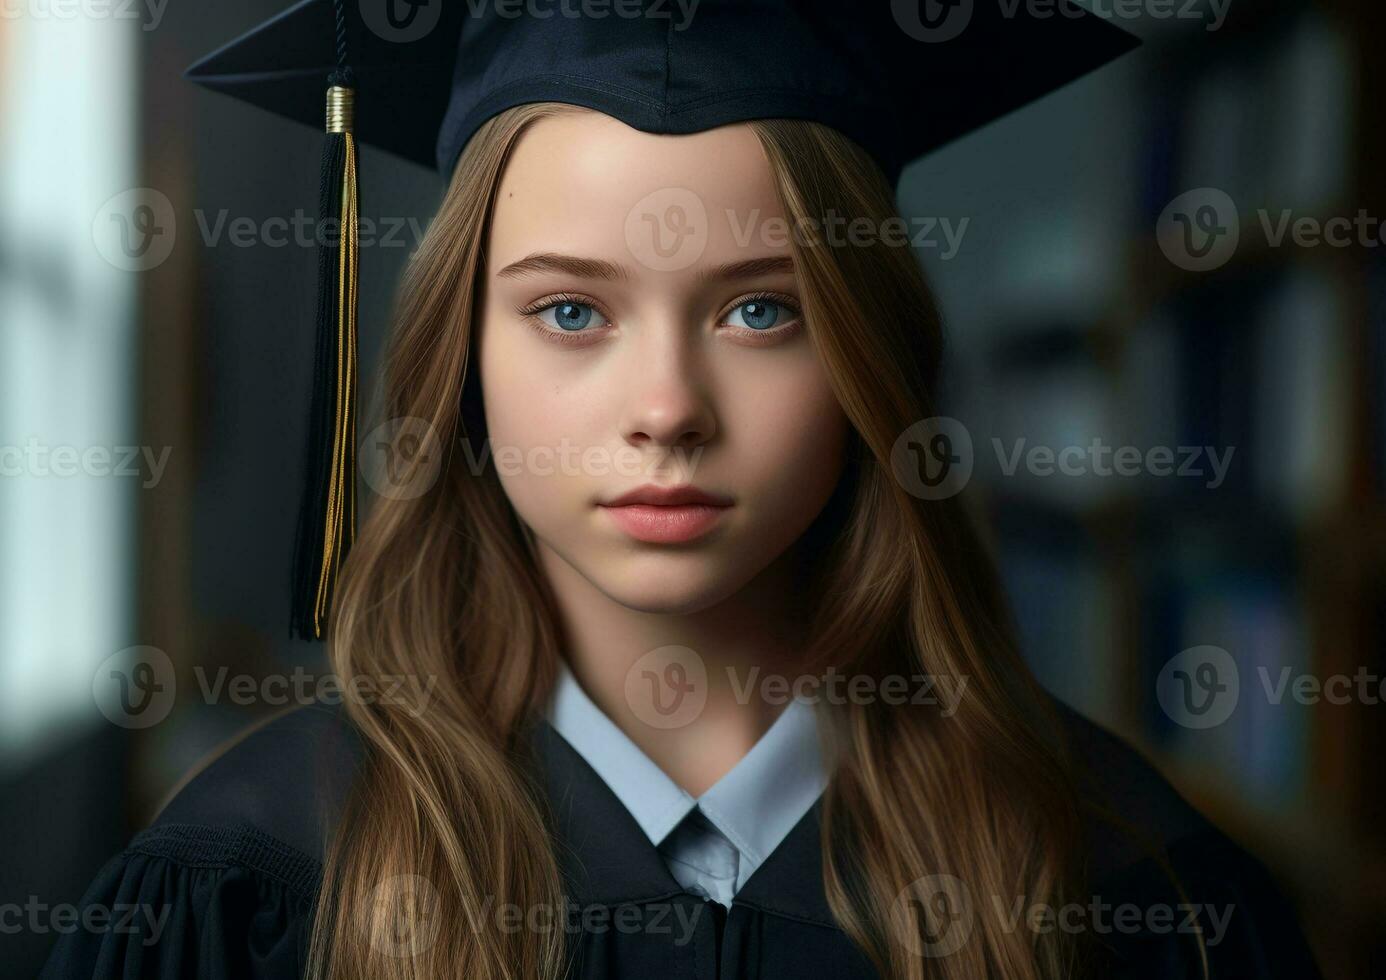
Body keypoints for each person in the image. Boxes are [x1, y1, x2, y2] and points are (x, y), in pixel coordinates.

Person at [42, 1, 1321, 978]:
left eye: (764, 308)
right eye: (571, 309)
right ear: (460, 358)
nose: (667, 406)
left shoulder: (1128, 884)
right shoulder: (253, 883)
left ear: (872, 355)